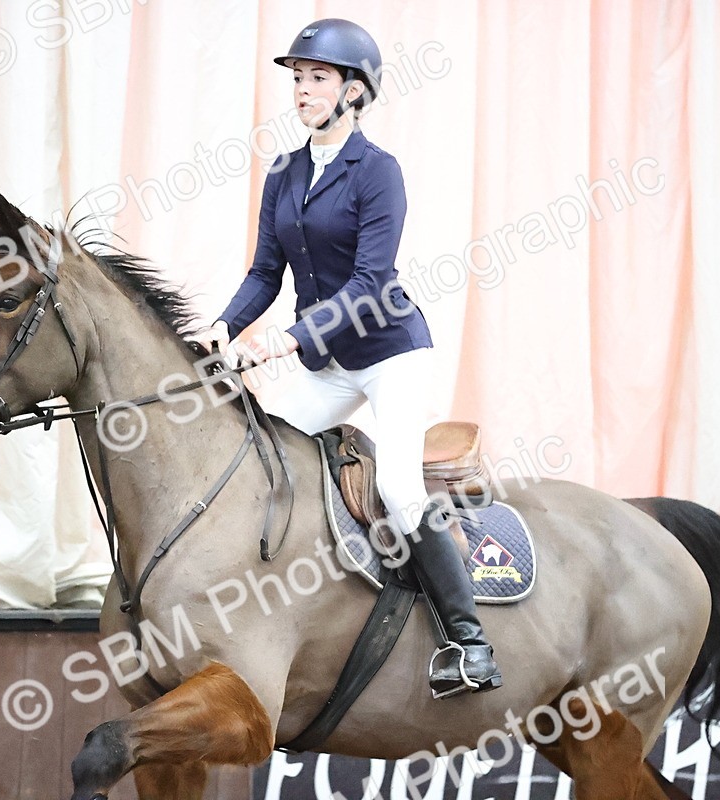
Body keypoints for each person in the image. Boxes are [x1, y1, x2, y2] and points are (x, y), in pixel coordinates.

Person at [188, 19, 501, 697]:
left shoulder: (378, 172)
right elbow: (266, 271)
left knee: (397, 486)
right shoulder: (285, 171)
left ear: (354, 93)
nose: (302, 90)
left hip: (390, 353)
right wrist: (223, 326)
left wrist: (285, 339)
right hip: (327, 364)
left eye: (318, 78)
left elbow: (369, 283)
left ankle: (468, 642)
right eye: (297, 78)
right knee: (266, 462)